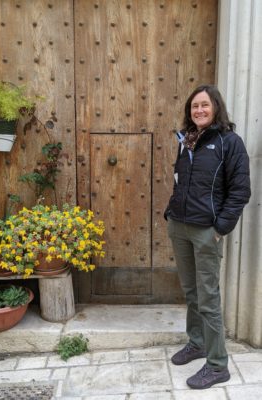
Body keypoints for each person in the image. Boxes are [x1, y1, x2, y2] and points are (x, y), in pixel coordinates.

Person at [164, 84, 251, 389]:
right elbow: (181, 182)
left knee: (208, 298)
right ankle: (197, 342)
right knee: (191, 292)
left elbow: (240, 191)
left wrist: (220, 229)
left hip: (206, 231)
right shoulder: (186, 141)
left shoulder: (230, 142)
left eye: (204, 105)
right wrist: (170, 212)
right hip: (180, 226)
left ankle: (217, 365)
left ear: (215, 107)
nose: (198, 111)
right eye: (194, 106)